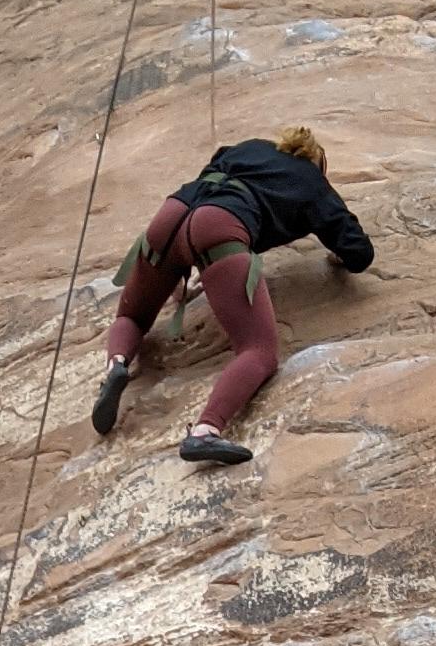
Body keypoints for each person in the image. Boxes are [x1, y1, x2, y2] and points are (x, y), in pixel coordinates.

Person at [92, 126, 374, 468]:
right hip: (219, 225)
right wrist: (340, 256)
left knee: (134, 316)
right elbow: (358, 250)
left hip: (174, 213)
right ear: (317, 161)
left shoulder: (248, 147)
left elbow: (212, 172)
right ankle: (206, 430)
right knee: (258, 351)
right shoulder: (312, 182)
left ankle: (117, 365)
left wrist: (179, 278)